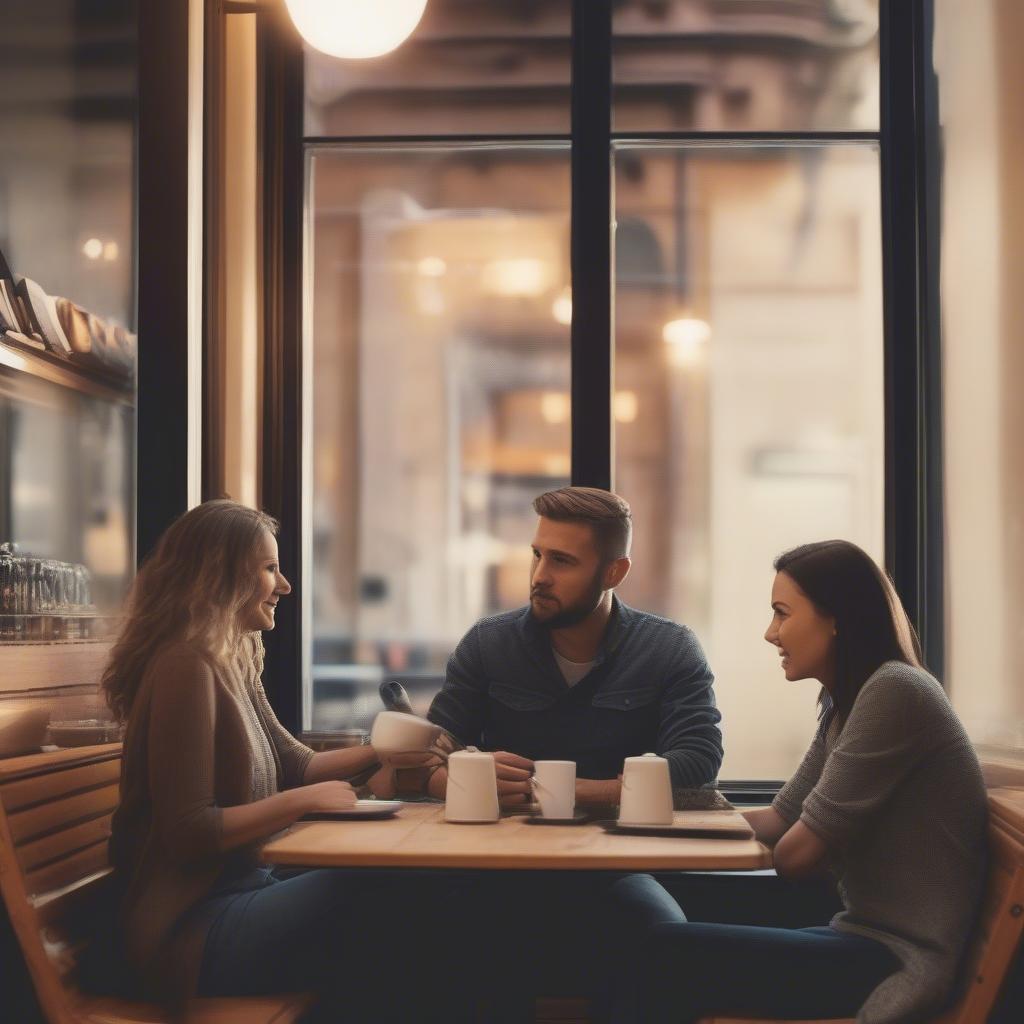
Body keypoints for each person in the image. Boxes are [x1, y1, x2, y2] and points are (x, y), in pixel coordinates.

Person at [101, 500, 469, 1022]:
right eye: (270, 568)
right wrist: (305, 802)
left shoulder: (236, 651)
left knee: (410, 898)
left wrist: (383, 749)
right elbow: (188, 832)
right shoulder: (184, 666)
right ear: (221, 574)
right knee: (389, 890)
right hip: (189, 930)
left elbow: (294, 763)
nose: (285, 585)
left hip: (247, 892)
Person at [602, 539, 988, 1024]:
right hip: (859, 938)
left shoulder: (895, 692)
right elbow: (777, 817)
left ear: (836, 619)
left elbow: (795, 857)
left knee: (660, 949)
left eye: (782, 613)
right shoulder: (846, 705)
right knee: (640, 925)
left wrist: (707, 820)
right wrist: (663, 816)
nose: (770, 633)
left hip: (896, 959)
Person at [426, 486, 724, 808]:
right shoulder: (488, 642)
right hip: (509, 845)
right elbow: (429, 755)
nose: (539, 577)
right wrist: (469, 781)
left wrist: (559, 792)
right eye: (537, 555)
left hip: (626, 847)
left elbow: (698, 760)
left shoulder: (669, 648)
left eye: (562, 561)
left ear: (614, 572)